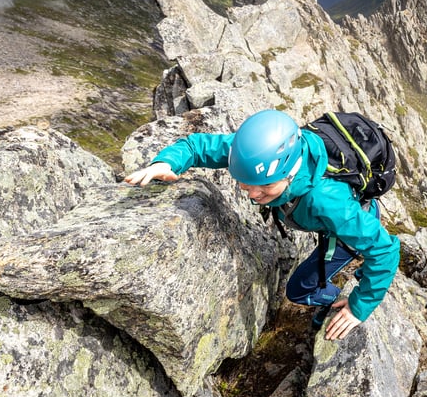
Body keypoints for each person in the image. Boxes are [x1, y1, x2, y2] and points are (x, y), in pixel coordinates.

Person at [124, 109, 400, 341]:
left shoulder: (328, 202)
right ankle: (332, 299)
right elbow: (197, 146)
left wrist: (358, 307)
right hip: (335, 219)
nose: (254, 194)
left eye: (266, 186)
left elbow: (386, 251)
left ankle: (335, 301)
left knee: (298, 291)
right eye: (248, 184)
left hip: (345, 234)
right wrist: (166, 162)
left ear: (289, 172)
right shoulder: (257, 156)